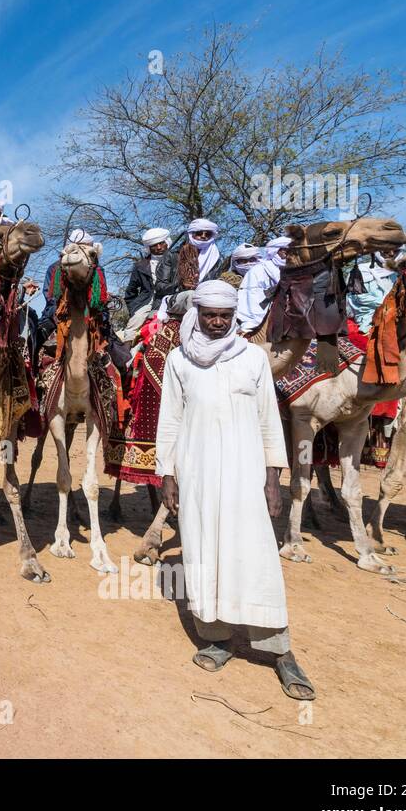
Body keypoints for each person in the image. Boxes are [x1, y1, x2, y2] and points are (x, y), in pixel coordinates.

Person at [155, 280, 314, 701]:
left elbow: (267, 418)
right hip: (196, 470)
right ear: (198, 313)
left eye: (224, 316)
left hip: (247, 473)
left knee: (256, 552)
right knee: (203, 549)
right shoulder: (179, 360)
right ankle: (217, 637)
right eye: (210, 315)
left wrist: (273, 477)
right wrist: (167, 474)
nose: (217, 321)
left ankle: (279, 650)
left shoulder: (252, 359)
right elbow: (170, 418)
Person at [121, 227, 177, 336]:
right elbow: (130, 291)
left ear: (167, 242)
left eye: (161, 243)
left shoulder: (178, 259)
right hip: (148, 301)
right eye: (154, 245)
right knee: (131, 328)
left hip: (172, 298)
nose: (159, 247)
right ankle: (127, 351)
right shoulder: (141, 265)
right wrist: (134, 309)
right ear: (148, 248)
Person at [235, 235, 292, 333]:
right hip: (262, 320)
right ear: (275, 251)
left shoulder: (295, 270)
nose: (288, 253)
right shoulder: (259, 271)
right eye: (284, 250)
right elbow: (252, 299)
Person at [177, 218, 225, 290]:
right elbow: (161, 285)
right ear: (191, 234)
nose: (203, 236)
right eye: (199, 233)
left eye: (207, 234)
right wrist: (181, 284)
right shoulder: (175, 254)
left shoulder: (217, 258)